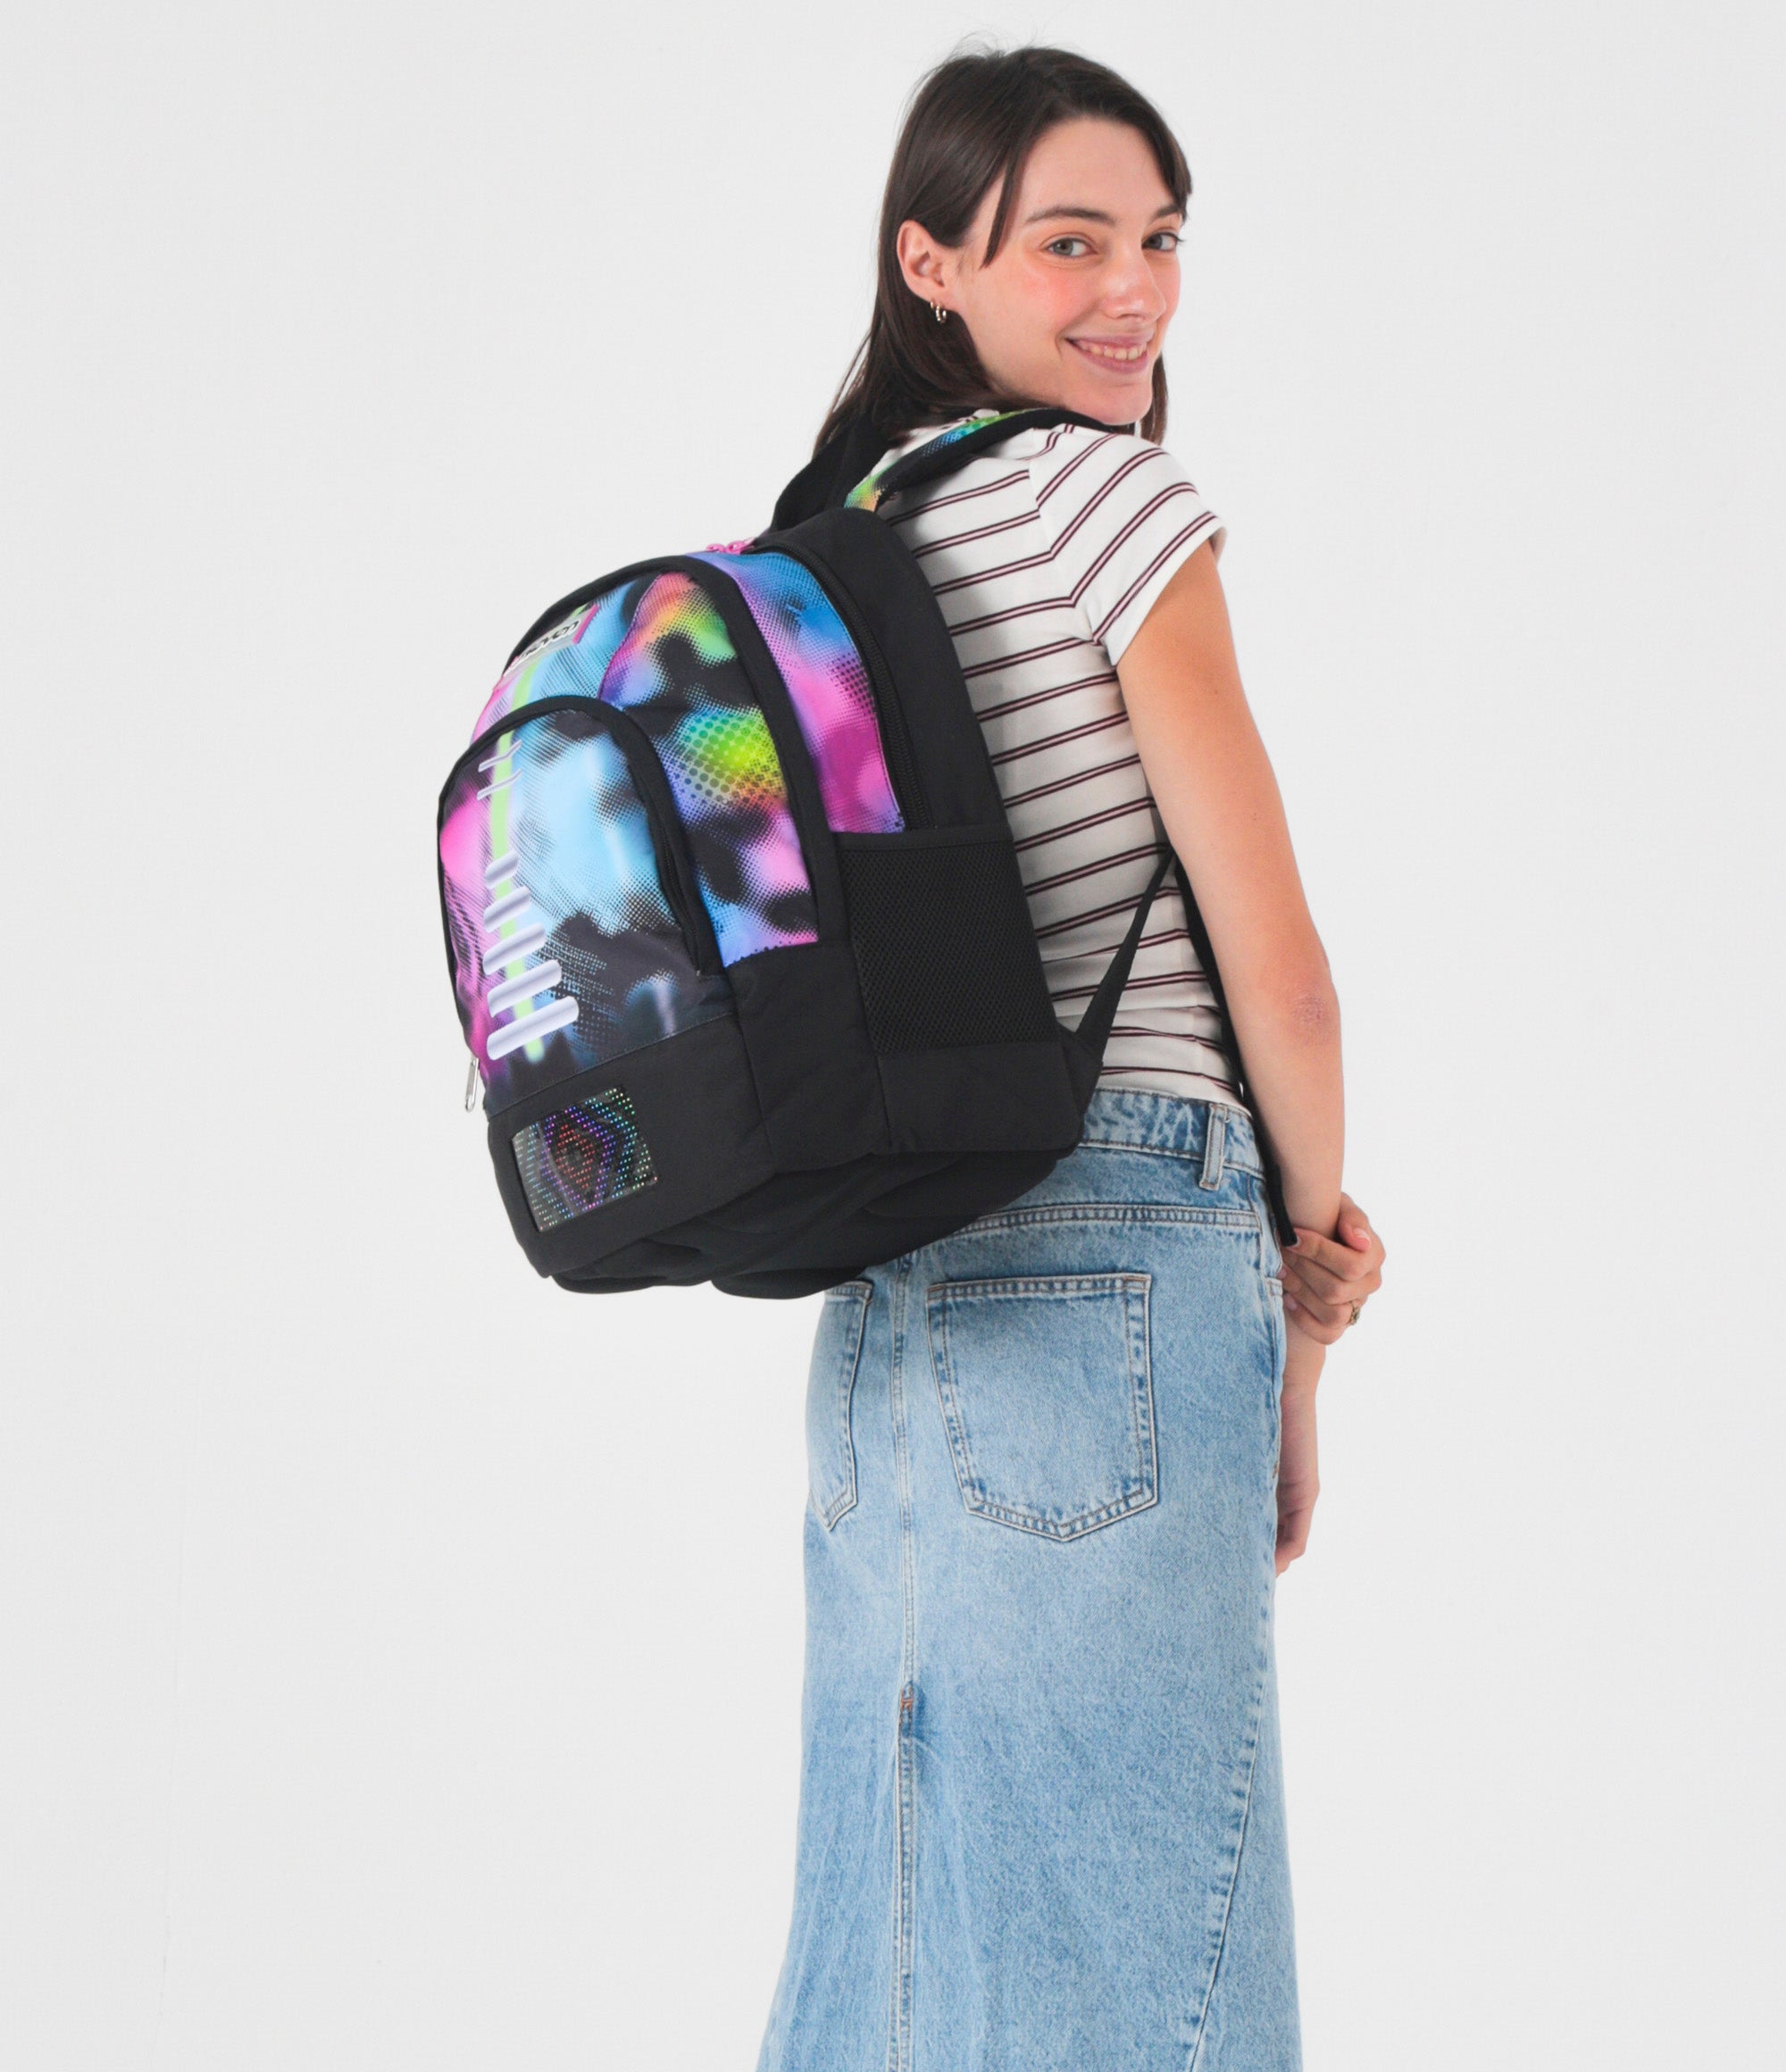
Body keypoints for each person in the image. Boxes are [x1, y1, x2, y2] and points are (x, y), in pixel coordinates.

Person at [755, 46, 1386, 2072]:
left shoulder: (839, 538)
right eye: (1070, 245)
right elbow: (1283, 978)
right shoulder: (1109, 498)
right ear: (931, 264)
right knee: (1135, 1971)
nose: (1132, 292)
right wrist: (1308, 1286)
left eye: (1161, 239)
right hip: (1120, 1244)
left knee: (895, 1957)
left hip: (885, 1298)